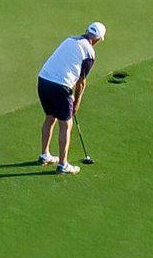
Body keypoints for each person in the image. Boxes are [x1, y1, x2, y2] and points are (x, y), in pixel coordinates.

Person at [36, 22, 105, 174]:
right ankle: (63, 165)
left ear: (86, 31)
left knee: (50, 117)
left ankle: (45, 155)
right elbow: (81, 82)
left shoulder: (69, 39)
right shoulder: (90, 53)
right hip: (60, 86)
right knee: (66, 125)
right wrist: (77, 102)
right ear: (98, 39)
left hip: (43, 80)